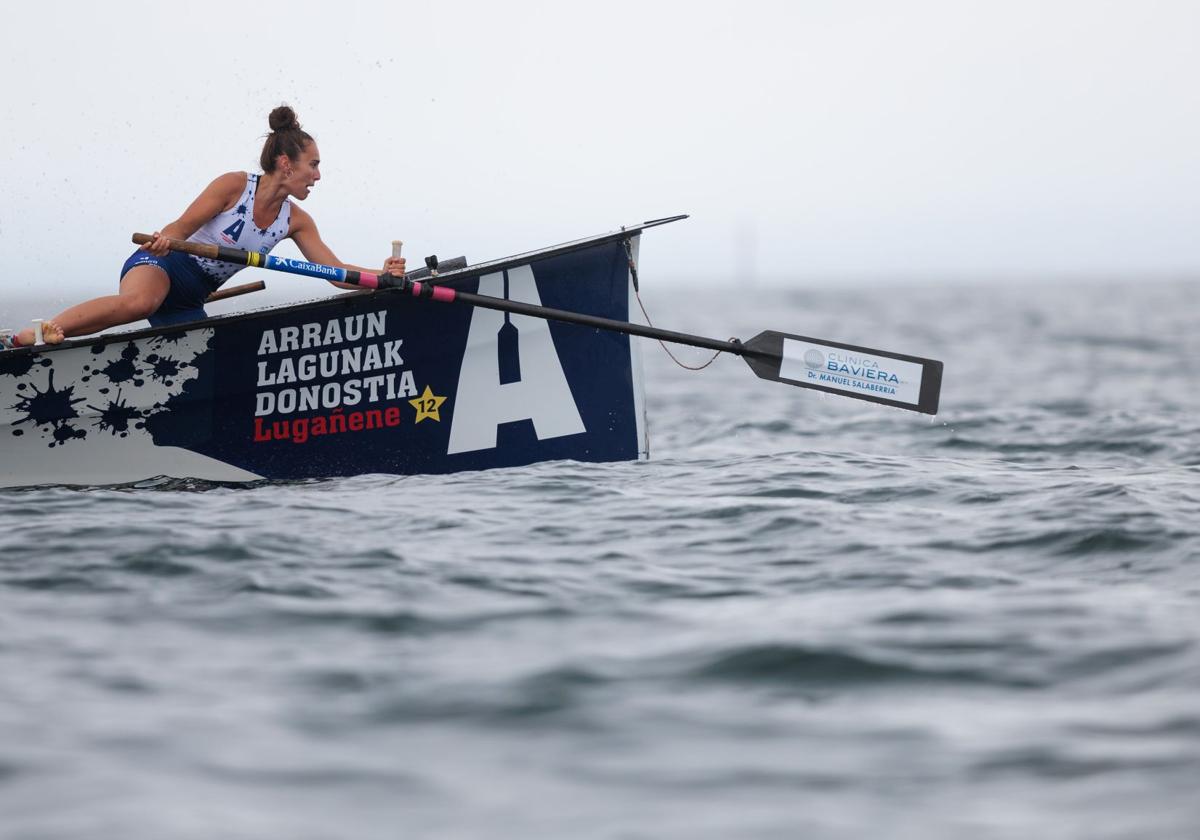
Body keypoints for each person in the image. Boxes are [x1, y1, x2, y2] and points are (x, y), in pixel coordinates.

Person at [2, 105, 405, 349]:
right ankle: (34, 335)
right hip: (162, 265)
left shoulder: (296, 221)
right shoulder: (233, 186)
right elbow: (181, 225)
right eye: (313, 165)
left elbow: (336, 275)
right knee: (141, 304)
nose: (318, 175)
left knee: (205, 354)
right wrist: (165, 241)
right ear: (286, 164)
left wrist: (382, 276)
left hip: (190, 297)